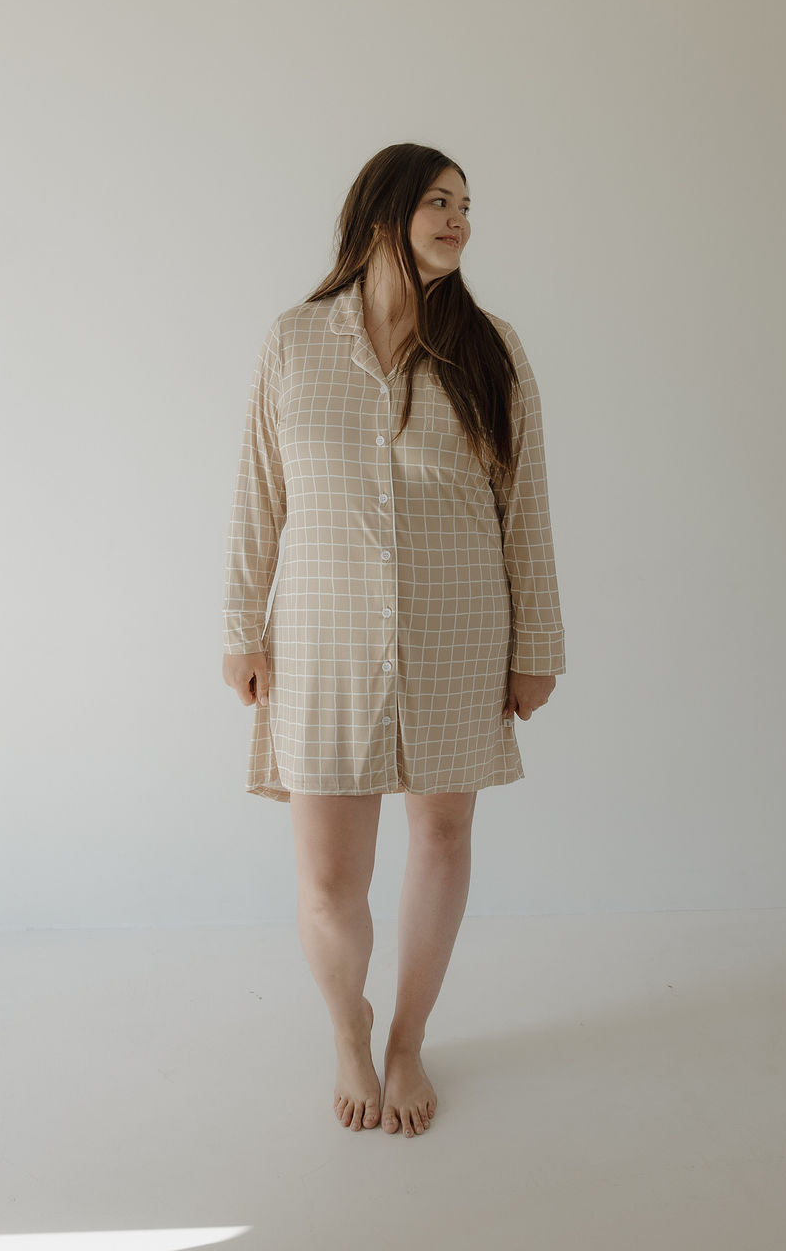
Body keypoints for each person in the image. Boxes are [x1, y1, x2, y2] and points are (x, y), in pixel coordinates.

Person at [222, 142, 566, 1137]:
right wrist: (239, 626)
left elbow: (524, 508)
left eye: (466, 204)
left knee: (442, 834)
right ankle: (347, 1028)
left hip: (460, 630)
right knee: (329, 876)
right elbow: (257, 496)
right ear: (380, 213)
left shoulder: (491, 351)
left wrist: (534, 641)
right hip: (321, 642)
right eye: (436, 201)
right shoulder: (294, 342)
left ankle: (408, 1037)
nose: (457, 218)